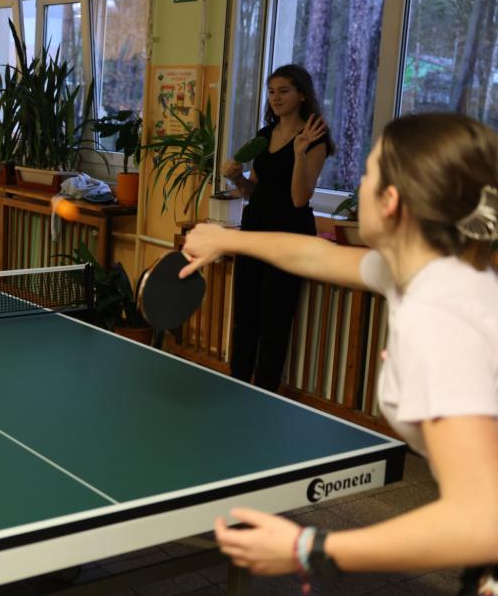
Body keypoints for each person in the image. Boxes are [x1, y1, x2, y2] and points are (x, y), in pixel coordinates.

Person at [180, 112, 498, 594]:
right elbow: (316, 255)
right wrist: (227, 238)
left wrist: (311, 548)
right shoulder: (431, 272)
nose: (360, 184)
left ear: (391, 202)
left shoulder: (439, 314)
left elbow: (480, 520)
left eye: (367, 174)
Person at [221, 64, 333, 391]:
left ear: (302, 95)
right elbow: (254, 191)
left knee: (274, 321)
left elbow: (299, 198)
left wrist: (299, 155)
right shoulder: (264, 135)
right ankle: (237, 385)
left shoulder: (315, 140)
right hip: (255, 230)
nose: (276, 98)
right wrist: (237, 178)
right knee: (245, 316)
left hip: (289, 235)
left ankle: (264, 394)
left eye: (284, 91)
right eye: (272, 92)